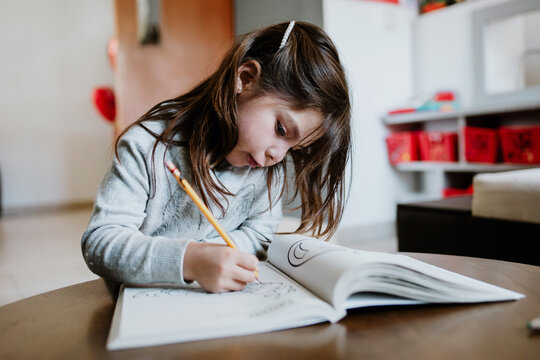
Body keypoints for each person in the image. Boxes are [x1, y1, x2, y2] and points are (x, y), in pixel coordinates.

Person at [82, 21, 351, 294]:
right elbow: (101, 242)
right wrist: (193, 260)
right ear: (245, 79)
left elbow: (260, 235)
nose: (278, 155)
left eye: (293, 148)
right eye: (281, 129)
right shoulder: (147, 146)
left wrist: (216, 259)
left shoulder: (267, 171)